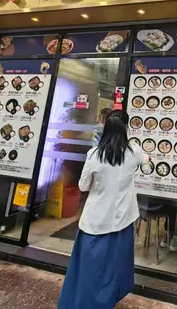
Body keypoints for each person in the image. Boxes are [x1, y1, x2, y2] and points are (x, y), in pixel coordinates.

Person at [58, 110, 149, 309]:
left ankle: (84, 303)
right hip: (122, 221)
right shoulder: (134, 151)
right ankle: (108, 300)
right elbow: (146, 161)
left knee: (90, 268)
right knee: (115, 267)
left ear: (106, 128)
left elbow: (83, 186)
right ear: (126, 128)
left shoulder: (95, 154)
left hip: (96, 222)